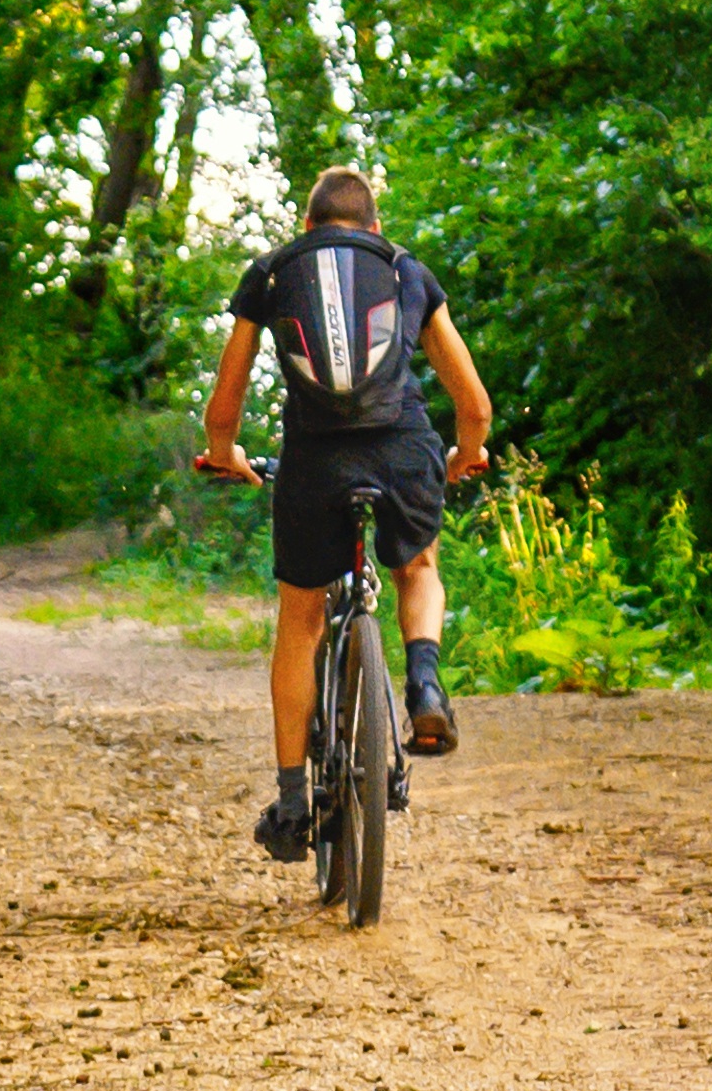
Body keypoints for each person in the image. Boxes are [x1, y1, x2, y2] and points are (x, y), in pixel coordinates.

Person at [190, 166, 495, 861]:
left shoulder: (270, 274)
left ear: (307, 226)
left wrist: (224, 453)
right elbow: (473, 404)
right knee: (418, 565)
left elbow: (225, 403)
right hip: (403, 448)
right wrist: (464, 452)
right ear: (375, 225)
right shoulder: (404, 268)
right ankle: (423, 681)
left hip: (314, 463)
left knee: (300, 616)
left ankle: (294, 798)